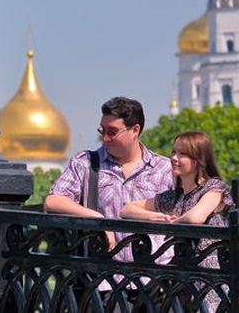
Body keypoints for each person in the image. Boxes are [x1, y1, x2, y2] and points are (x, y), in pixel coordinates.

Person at [44, 96, 173, 256]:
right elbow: (54, 201)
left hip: (152, 275)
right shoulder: (86, 163)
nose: (105, 138)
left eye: (112, 132)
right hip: (103, 274)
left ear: (135, 130)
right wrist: (97, 218)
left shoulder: (166, 169)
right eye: (102, 131)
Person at [121, 131, 234, 309]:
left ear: (199, 159)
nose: (174, 158)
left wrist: (172, 224)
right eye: (173, 152)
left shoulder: (215, 187)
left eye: (183, 154)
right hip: (184, 277)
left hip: (211, 280)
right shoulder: (175, 196)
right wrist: (159, 217)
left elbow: (195, 217)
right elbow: (127, 210)